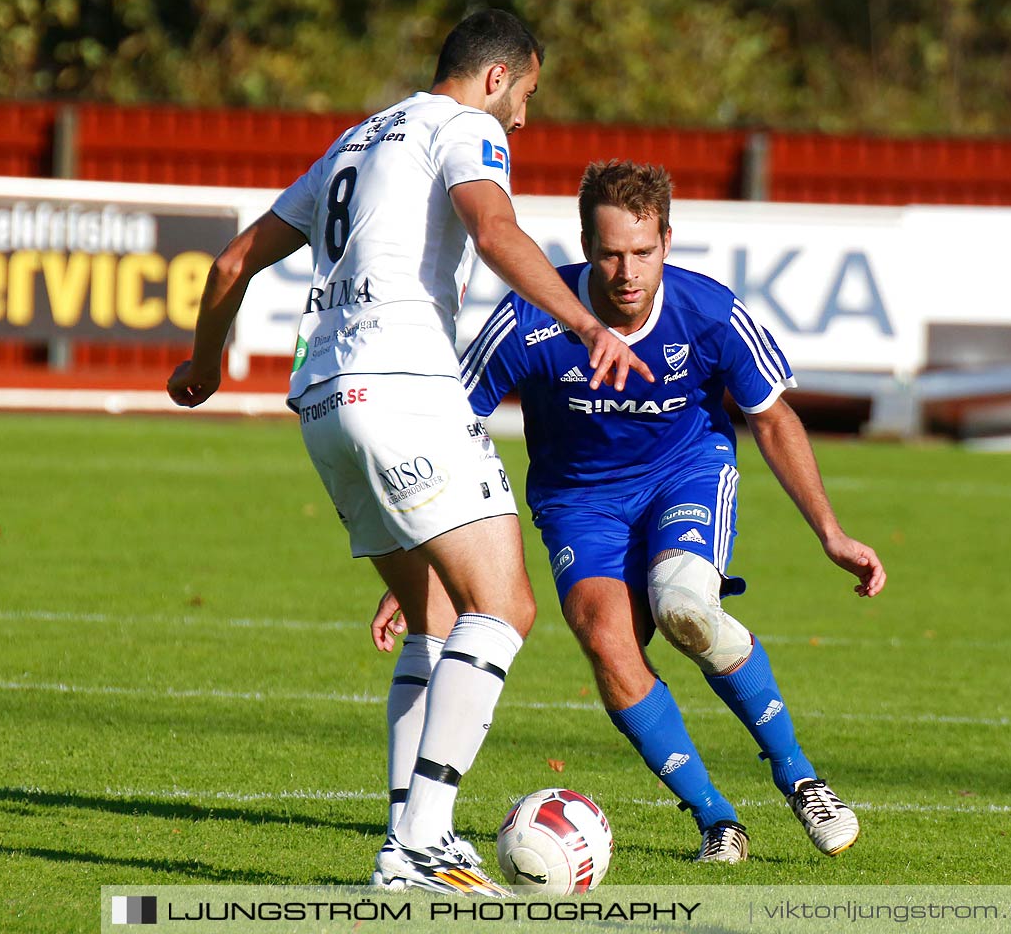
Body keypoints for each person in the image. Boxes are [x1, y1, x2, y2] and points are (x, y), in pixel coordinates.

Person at [166, 10, 653, 896]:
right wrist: (585, 322)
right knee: (502, 607)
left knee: (435, 614)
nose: (524, 120)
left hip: (322, 401)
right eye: (528, 97)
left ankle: (407, 846)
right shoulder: (464, 127)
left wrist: (203, 368)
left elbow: (233, 263)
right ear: (498, 77)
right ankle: (424, 840)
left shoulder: (355, 141)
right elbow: (495, 231)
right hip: (405, 386)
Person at [373, 159, 887, 864]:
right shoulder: (531, 317)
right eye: (611, 253)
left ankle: (800, 778)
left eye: (642, 252)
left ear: (667, 242)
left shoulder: (708, 312)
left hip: (686, 476)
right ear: (585, 247)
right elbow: (454, 426)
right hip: (579, 500)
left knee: (683, 607)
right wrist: (421, 553)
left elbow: (772, 418)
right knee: (609, 643)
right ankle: (717, 821)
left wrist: (830, 532)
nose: (626, 272)